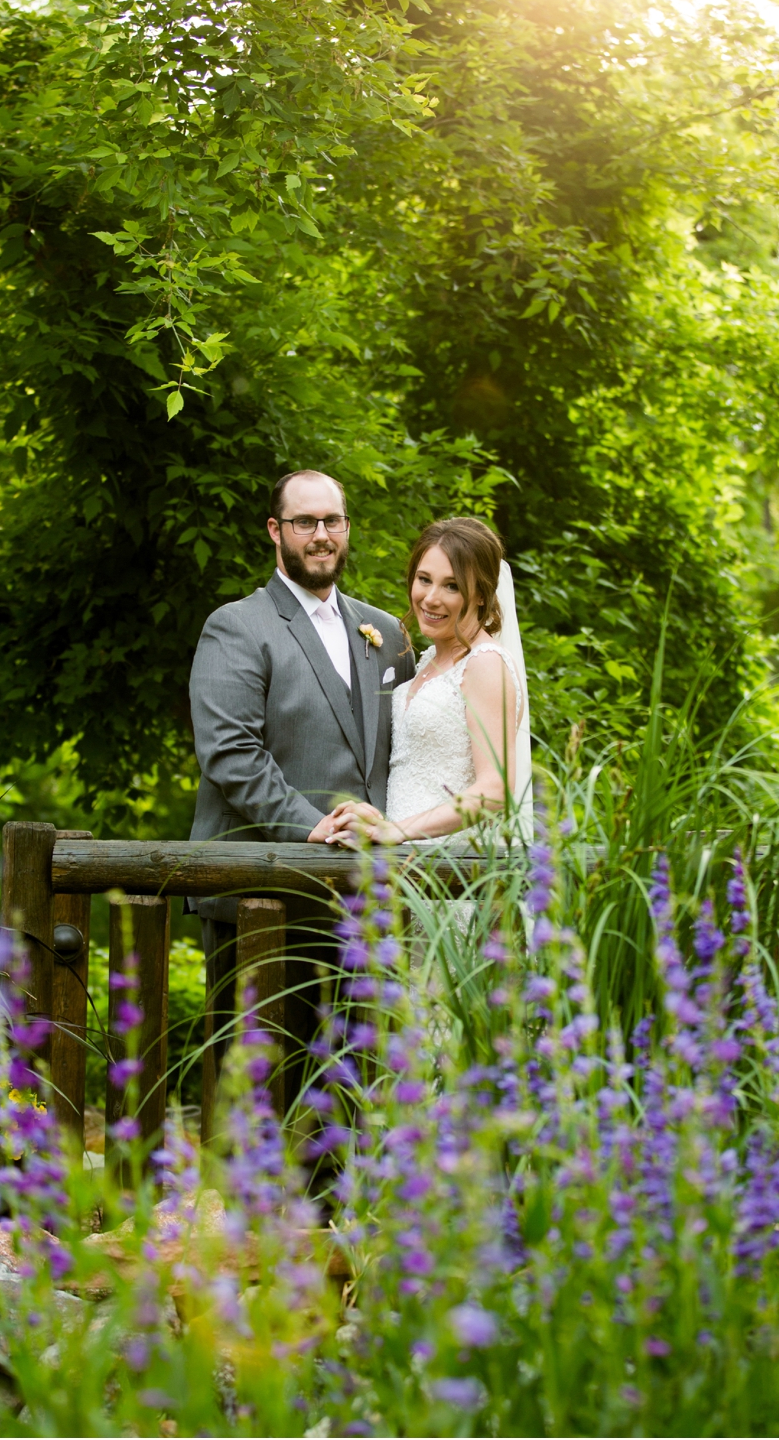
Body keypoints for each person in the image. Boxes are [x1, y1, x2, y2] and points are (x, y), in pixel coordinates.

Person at [186, 470, 418, 1105]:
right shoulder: (236, 627)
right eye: (305, 522)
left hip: (363, 903)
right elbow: (230, 754)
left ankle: (338, 1208)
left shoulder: (387, 634)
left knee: (352, 1086)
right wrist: (308, 826)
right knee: (261, 1087)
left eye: (333, 521)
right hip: (264, 893)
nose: (321, 535)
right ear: (275, 531)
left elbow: (405, 753)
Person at [329, 516, 531, 846]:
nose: (431, 598)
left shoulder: (485, 664)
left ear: (481, 594)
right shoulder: (427, 661)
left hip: (450, 872)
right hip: (402, 868)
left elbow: (495, 791)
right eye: (424, 579)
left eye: (452, 586)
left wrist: (398, 831)